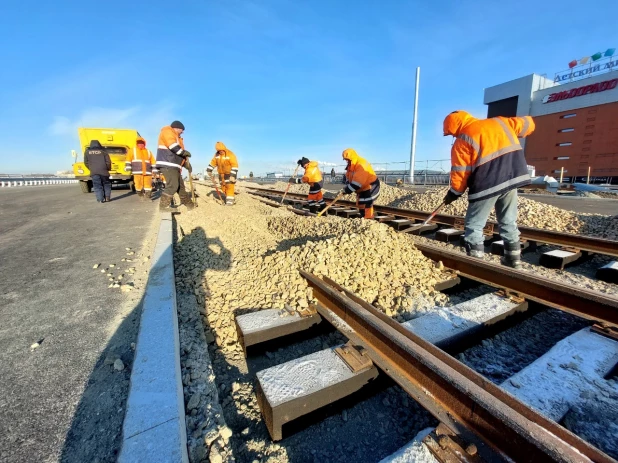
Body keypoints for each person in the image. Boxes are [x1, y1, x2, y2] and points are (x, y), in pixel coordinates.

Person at [442, 110, 535, 268]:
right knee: (508, 221)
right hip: (511, 179)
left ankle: (476, 263)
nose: (453, 136)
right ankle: (514, 260)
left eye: (452, 133)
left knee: (474, 225)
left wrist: (454, 193)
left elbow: (461, 172)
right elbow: (528, 124)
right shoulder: (500, 122)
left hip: (486, 183)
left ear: (455, 126)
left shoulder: (463, 138)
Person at [155, 121, 194, 210]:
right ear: (177, 128)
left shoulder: (178, 138)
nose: (182, 132)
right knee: (173, 185)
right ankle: (163, 207)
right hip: (168, 163)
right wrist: (184, 153)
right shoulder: (167, 131)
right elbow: (173, 146)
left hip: (174, 165)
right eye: (182, 130)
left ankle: (189, 205)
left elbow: (178, 155)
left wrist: (185, 164)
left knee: (181, 187)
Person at [340, 148, 380, 219]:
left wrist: (347, 190)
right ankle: (363, 217)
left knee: (367, 203)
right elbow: (348, 176)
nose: (346, 161)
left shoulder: (361, 164)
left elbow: (357, 183)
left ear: (351, 158)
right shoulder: (351, 165)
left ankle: (368, 220)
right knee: (361, 203)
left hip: (371, 186)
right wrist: (347, 186)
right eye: (345, 159)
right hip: (362, 188)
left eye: (347, 159)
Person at [206, 142, 239, 206]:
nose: (220, 152)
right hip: (221, 174)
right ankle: (230, 198)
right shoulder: (216, 155)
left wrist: (233, 176)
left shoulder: (230, 154)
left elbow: (235, 165)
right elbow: (213, 162)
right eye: (219, 151)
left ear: (224, 149)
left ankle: (229, 203)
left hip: (229, 174)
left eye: (221, 150)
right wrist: (209, 169)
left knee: (229, 187)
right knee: (223, 187)